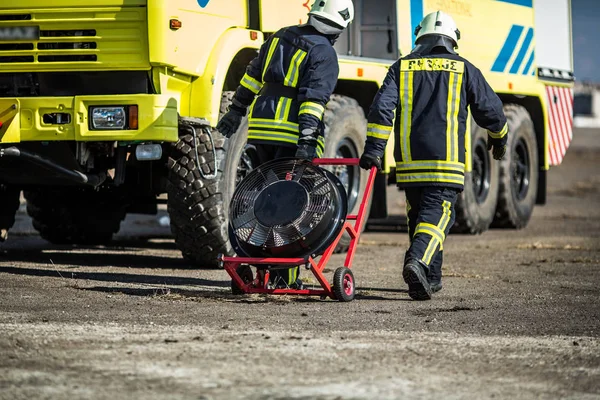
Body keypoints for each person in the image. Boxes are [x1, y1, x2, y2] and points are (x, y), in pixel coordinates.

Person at [358, 10, 508, 300]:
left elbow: (381, 110)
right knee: (438, 218)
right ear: (452, 39)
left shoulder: (400, 68)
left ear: (420, 35)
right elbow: (492, 112)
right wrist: (498, 140)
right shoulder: (464, 68)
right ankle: (417, 261)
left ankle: (429, 279)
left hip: (410, 163)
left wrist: (375, 149)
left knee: (420, 219)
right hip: (446, 163)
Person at [216, 0, 354, 288]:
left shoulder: (279, 36)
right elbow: (313, 100)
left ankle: (256, 262)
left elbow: (253, 76)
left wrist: (236, 110)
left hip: (261, 128)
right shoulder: (324, 52)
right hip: (290, 134)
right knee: (292, 207)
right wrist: (306, 139)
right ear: (340, 27)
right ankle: (283, 278)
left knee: (260, 199)